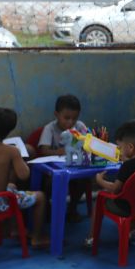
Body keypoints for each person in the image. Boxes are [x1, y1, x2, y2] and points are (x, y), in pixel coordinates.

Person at [83, 119, 135, 247]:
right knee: (133, 193)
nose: (119, 152)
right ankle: (133, 230)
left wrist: (100, 181)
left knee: (100, 197)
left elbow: (115, 189)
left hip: (126, 207)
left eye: (120, 148)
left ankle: (91, 238)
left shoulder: (127, 166)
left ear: (130, 147)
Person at [0, 107, 49, 249]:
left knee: (11, 187)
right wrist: (20, 160)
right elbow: (24, 175)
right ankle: (36, 237)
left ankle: (12, 230)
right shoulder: (11, 151)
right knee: (40, 197)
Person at [37, 94, 89, 222]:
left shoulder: (80, 126)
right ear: (56, 114)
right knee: (49, 184)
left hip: (76, 168)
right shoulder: (50, 128)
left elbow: (88, 144)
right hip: (54, 171)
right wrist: (59, 151)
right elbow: (43, 150)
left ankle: (72, 208)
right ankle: (49, 208)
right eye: (66, 118)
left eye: (74, 118)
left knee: (85, 179)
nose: (70, 122)